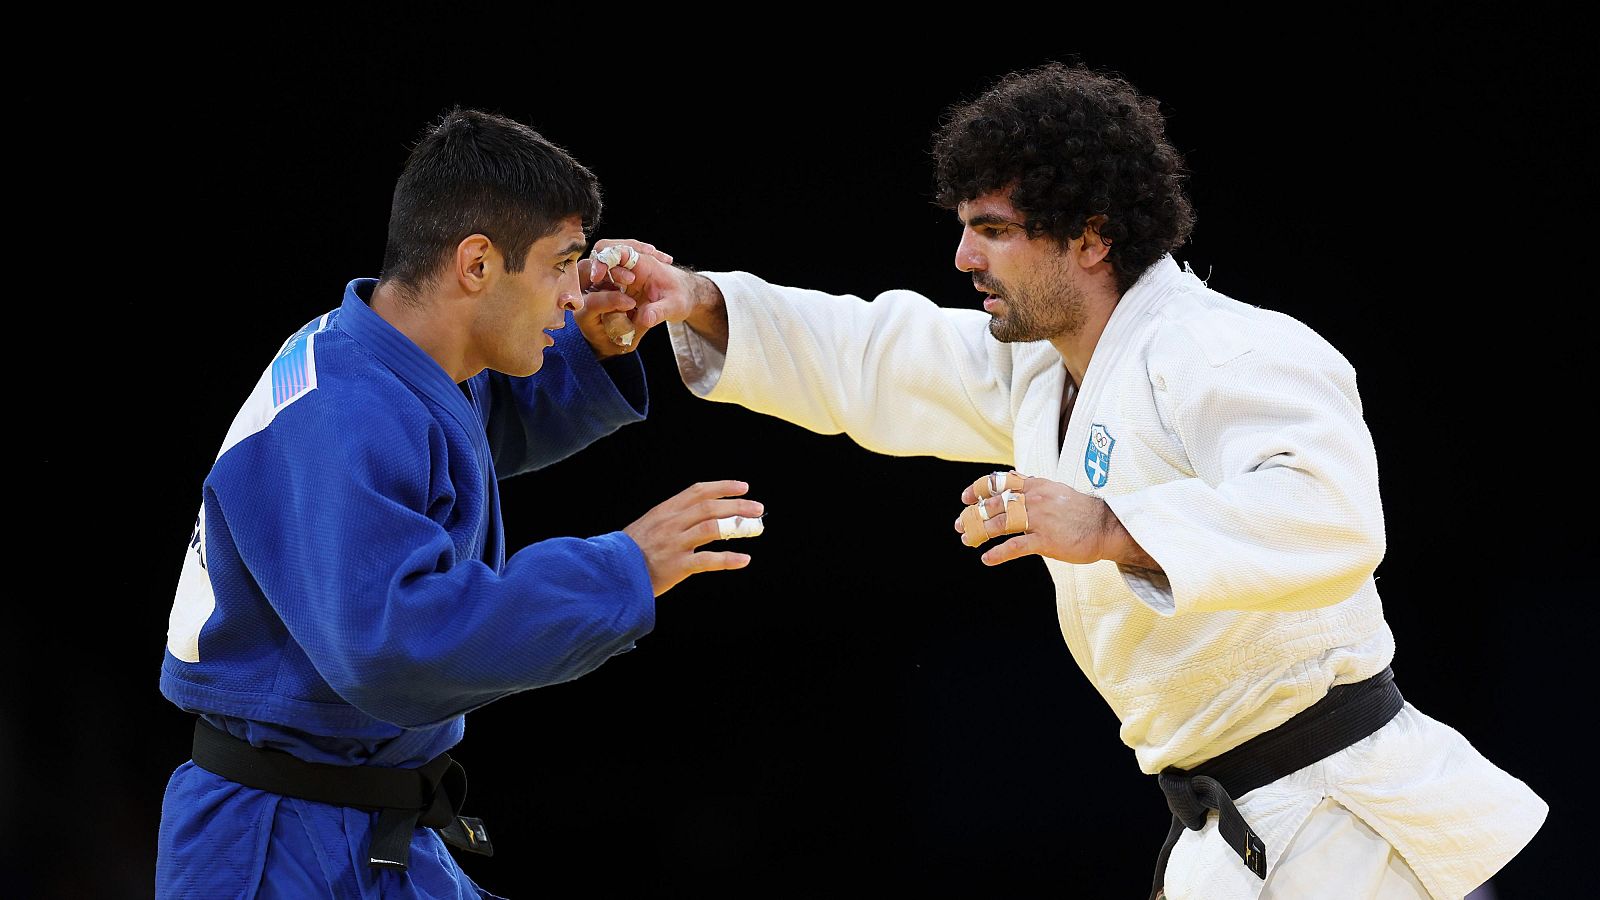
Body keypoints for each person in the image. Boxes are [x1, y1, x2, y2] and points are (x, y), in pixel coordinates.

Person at [590, 64, 1547, 899]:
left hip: (1342, 822)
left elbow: (1330, 515)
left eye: (993, 230)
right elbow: (880, 352)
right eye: (966, 228)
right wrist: (698, 298)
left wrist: (1110, 526)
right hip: (1242, 824)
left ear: (1091, 237)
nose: (964, 257)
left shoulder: (1225, 348)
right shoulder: (1045, 367)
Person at [156, 108, 762, 899]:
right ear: (477, 263)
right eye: (560, 266)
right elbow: (399, 644)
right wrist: (623, 569)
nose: (573, 296)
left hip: (358, 818)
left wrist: (593, 347)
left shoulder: (392, 358)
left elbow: (469, 436)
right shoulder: (341, 415)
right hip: (276, 848)